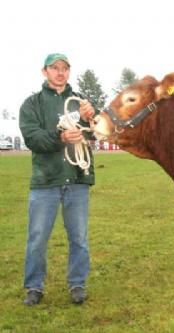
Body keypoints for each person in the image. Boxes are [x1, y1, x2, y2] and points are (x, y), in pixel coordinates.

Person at [19, 53, 97, 305]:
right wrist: (60, 138)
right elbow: (33, 139)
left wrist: (90, 118)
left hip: (76, 180)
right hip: (46, 181)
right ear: (45, 72)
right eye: (55, 68)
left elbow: (95, 134)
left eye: (64, 68)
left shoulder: (80, 103)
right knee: (37, 237)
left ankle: (77, 284)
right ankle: (34, 287)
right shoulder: (32, 105)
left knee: (79, 238)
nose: (60, 72)